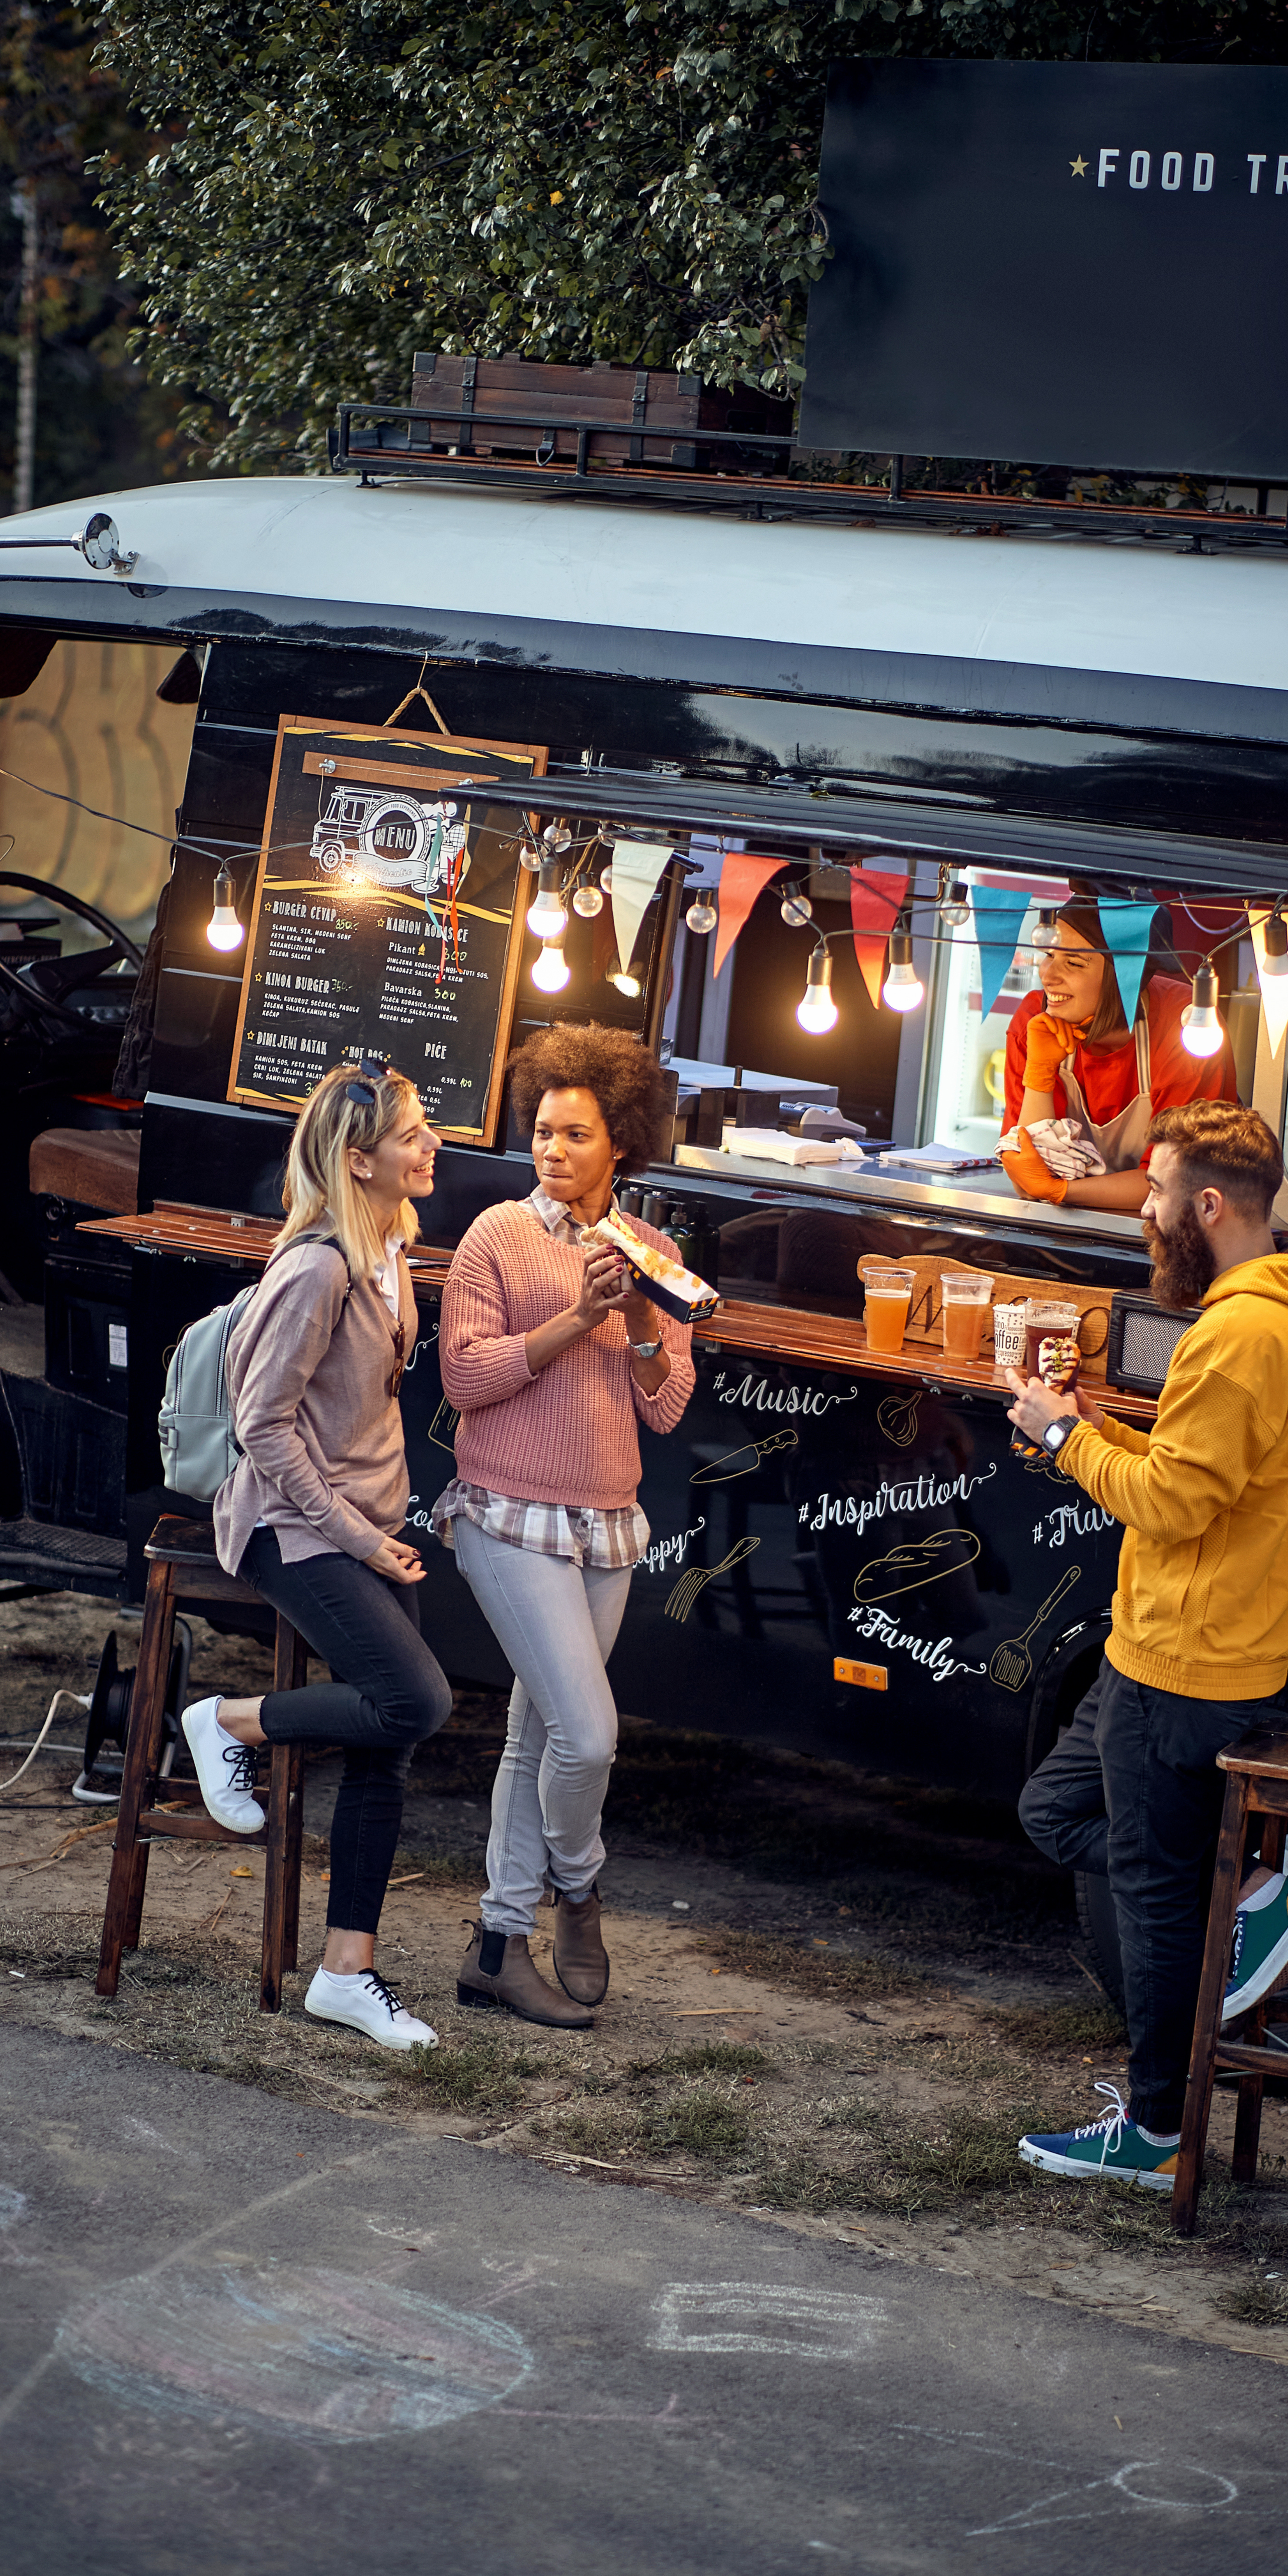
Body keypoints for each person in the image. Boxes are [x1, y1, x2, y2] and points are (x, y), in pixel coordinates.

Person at [1005, 1099, 1288, 2190]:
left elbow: (1169, 1507)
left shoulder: (1235, 1331)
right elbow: (1205, 1476)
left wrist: (1065, 1437)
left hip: (1185, 1663)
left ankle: (1158, 2126)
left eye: (1158, 1196)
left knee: (1158, 1892)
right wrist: (1088, 1426)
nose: (1146, 1216)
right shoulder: (1259, 1313)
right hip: (1161, 1646)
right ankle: (1240, 1919)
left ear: (1205, 1205)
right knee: (1057, 1812)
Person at [183, 1058, 453, 2051]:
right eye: (413, 1131)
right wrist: (355, 1534)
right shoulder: (318, 1266)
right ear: (357, 1157)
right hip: (290, 1527)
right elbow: (263, 1425)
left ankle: (345, 1972)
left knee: (392, 1738)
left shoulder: (388, 1249)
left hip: (365, 1519)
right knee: (414, 1699)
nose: (432, 1143)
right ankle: (224, 1720)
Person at [433, 1022, 695, 2028]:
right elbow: (465, 1378)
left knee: (537, 1734)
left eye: (575, 1134)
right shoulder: (497, 1234)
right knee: (587, 1735)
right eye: (542, 1130)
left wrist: (632, 1319)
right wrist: (576, 1319)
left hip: (605, 1527)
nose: (552, 1149)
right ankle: (580, 1889)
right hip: (507, 1511)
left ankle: (499, 1943)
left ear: (618, 1144)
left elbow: (665, 1408)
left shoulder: (654, 1256)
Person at [1000, 897, 1236, 1216]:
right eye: (1050, 955)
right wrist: (1041, 1070)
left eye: (1074, 962)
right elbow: (1026, 1174)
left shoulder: (1186, 1028)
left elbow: (1173, 1184)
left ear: (1122, 977)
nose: (1048, 975)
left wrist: (1059, 1190)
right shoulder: (1035, 1018)